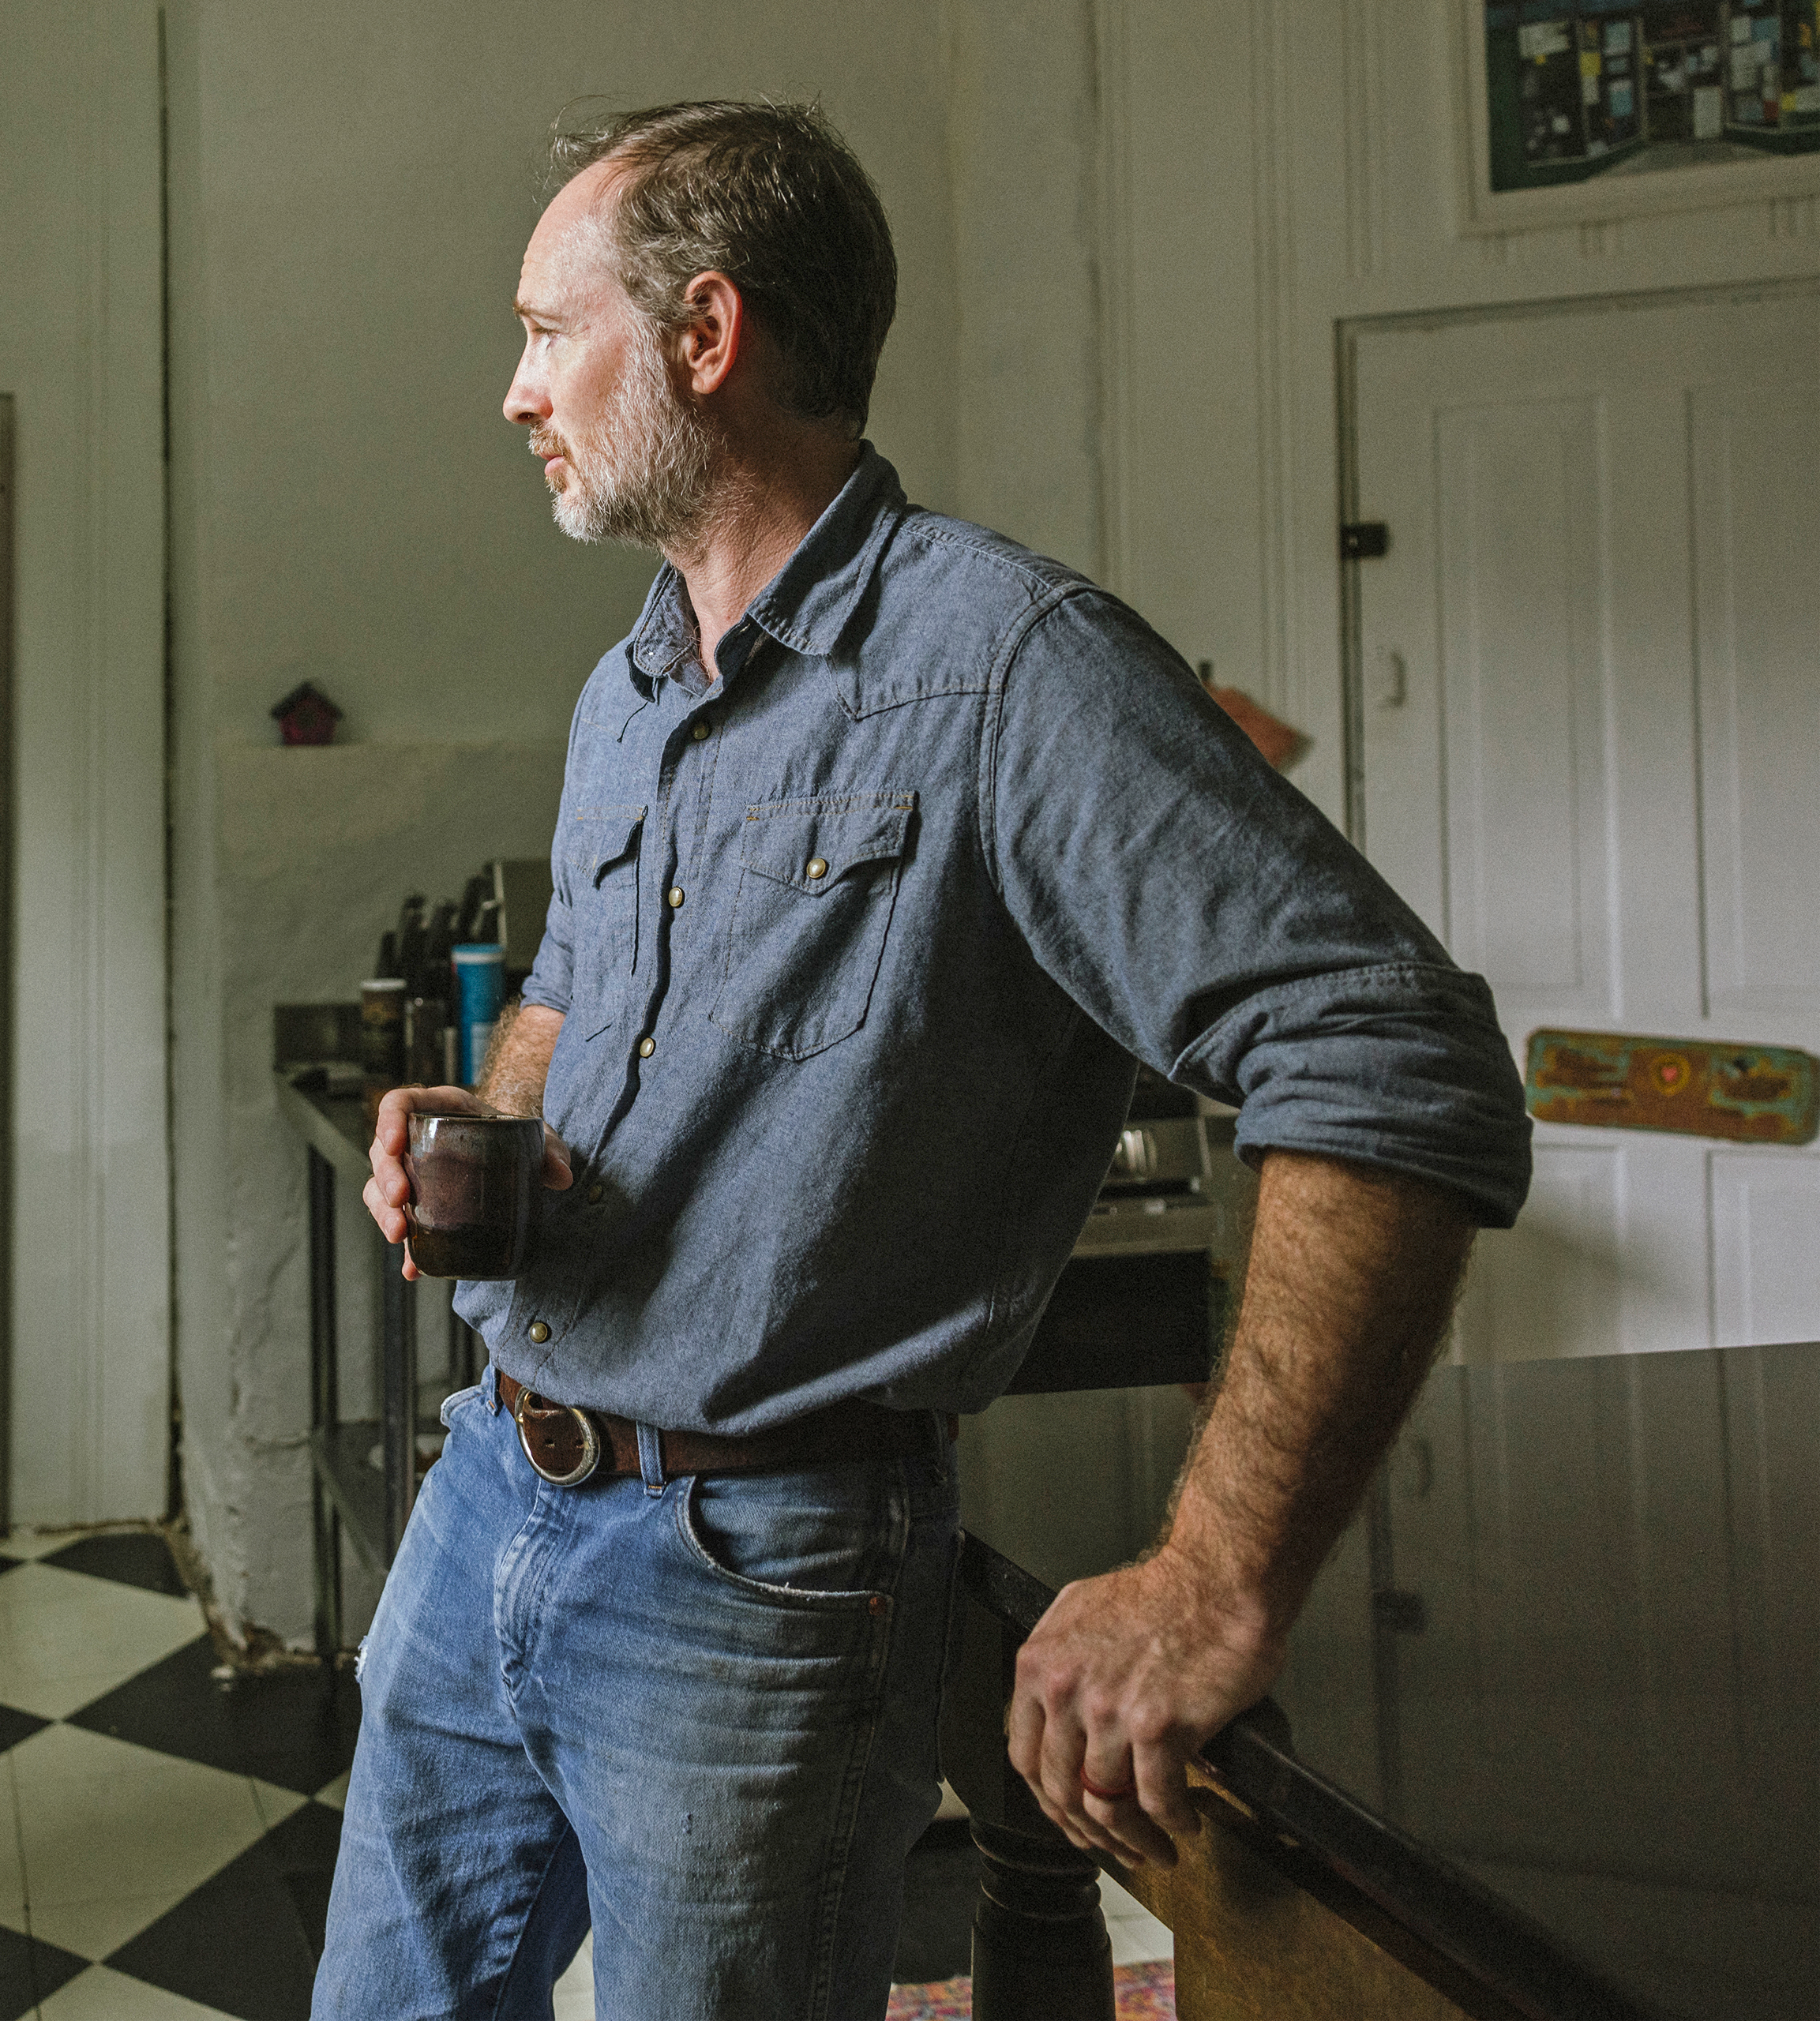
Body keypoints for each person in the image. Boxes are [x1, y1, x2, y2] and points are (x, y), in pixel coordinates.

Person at [317, 101, 1533, 2019]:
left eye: (549, 332)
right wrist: (487, 1120)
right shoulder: (629, 683)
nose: (513, 392)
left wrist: (1213, 1580)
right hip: (490, 1489)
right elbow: (562, 982)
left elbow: (1393, 1055)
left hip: (762, 1569)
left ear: (706, 336)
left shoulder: (1009, 663)